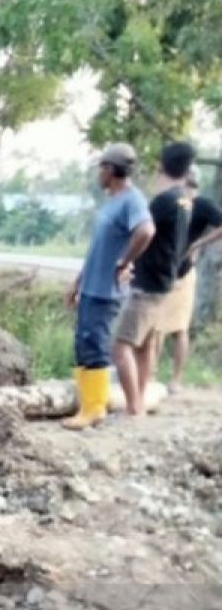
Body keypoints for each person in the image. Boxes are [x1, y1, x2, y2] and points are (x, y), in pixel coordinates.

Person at [62, 144, 152, 430]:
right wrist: (78, 282)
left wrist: (125, 261)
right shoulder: (112, 201)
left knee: (94, 345)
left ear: (111, 170)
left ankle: (95, 408)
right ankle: (87, 404)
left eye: (101, 167)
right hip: (92, 285)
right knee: (83, 343)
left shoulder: (132, 200)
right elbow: (96, 250)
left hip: (106, 290)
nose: (98, 173)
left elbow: (146, 231)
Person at [113, 142, 193, 418]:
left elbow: (141, 231)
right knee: (146, 344)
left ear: (161, 164)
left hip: (148, 284)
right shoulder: (184, 200)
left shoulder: (163, 202)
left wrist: (124, 261)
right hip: (165, 282)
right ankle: (142, 398)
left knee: (121, 345)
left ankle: (134, 407)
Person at [157, 167, 222, 392]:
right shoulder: (173, 203)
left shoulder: (202, 204)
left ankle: (176, 378)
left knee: (179, 327)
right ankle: (150, 375)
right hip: (165, 269)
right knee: (156, 327)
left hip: (184, 270)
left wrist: (199, 244)